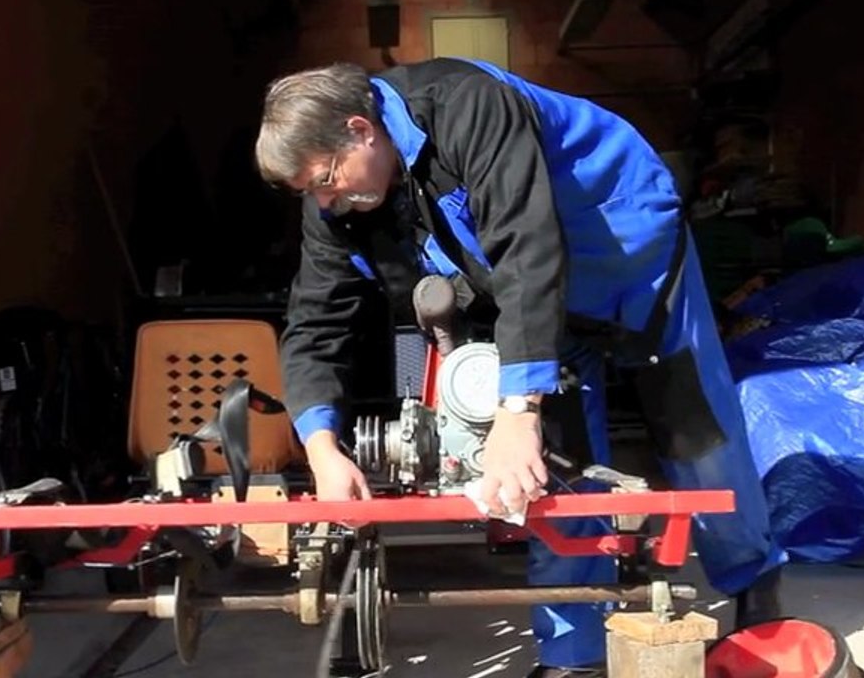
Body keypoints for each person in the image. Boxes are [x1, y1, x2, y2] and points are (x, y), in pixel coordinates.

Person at [254, 57, 788, 678]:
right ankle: (573, 656)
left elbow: (527, 246)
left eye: (325, 179)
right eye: (310, 191)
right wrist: (321, 449)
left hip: (626, 251)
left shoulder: (468, 104)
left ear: (360, 130)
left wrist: (517, 410)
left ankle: (754, 584)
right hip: (521, 293)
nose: (324, 200)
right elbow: (316, 320)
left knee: (694, 425)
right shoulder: (334, 203)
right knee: (556, 463)